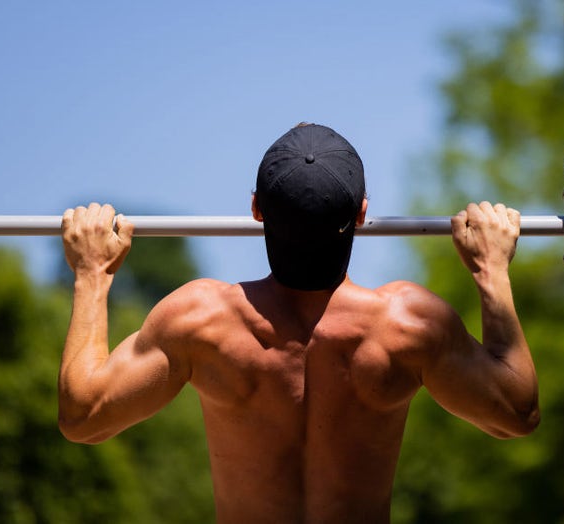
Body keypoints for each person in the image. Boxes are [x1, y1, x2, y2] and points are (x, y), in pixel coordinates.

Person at [58, 123, 539, 523]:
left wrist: (93, 274)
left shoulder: (201, 321)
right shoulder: (408, 325)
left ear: (256, 211)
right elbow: (516, 415)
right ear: (362, 214)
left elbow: (84, 418)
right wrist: (490, 270)